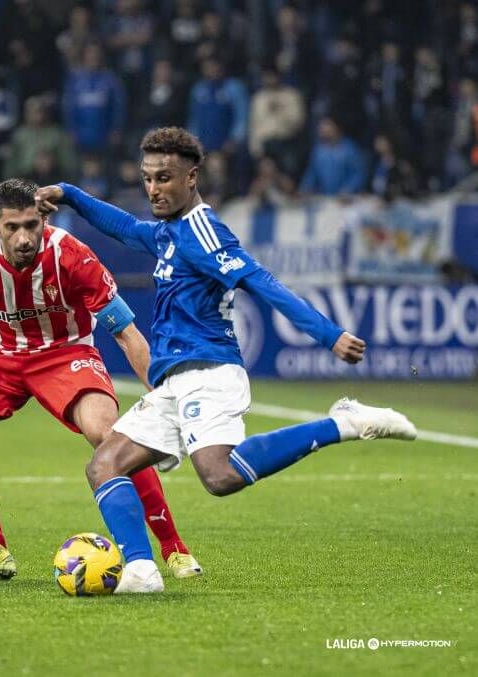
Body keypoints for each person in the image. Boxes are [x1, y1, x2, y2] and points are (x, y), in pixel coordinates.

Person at [35, 127, 417, 594]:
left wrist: (329, 335)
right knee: (104, 465)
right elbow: (126, 227)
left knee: (219, 476)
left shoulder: (203, 231)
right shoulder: (168, 232)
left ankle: (343, 423)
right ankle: (141, 570)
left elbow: (260, 281)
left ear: (192, 177)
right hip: (173, 380)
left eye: (165, 178)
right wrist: (70, 194)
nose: (153, 188)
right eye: (147, 178)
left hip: (210, 372)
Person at [0, 178, 200, 580]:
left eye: (31, 226)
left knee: (110, 433)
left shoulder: (72, 256)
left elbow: (126, 332)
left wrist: (160, 392)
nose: (23, 238)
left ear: (44, 220)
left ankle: (173, 548)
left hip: (64, 353)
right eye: (12, 227)